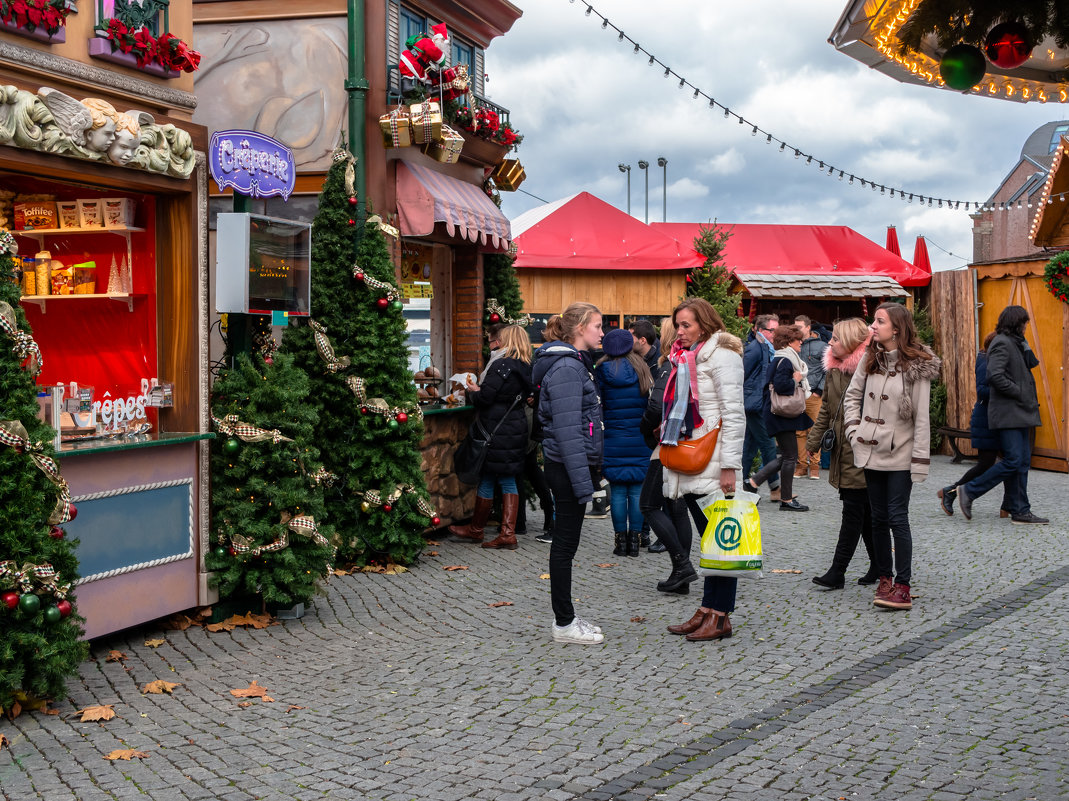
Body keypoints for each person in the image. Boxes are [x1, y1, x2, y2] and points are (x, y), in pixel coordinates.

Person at [844, 302, 941, 611]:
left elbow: (922, 419)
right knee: (878, 518)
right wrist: (852, 430)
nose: (873, 325)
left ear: (896, 328)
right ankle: (884, 578)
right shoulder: (870, 358)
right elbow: (852, 396)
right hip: (870, 450)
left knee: (897, 517)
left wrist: (920, 461)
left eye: (879, 321)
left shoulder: (917, 365)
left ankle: (903, 585)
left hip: (900, 453)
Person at [660, 298, 746, 642]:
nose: (679, 332)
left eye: (687, 326)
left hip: (713, 458)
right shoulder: (689, 356)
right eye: (677, 325)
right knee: (711, 540)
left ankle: (721, 615)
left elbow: (734, 413)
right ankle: (709, 608)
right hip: (694, 455)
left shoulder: (722, 356)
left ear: (705, 324)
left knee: (721, 542)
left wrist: (730, 466)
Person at [532, 302, 606, 644]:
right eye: (597, 326)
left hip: (568, 465)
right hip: (565, 466)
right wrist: (583, 484)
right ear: (579, 329)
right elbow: (567, 432)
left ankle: (567, 617)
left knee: (567, 545)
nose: (601, 333)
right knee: (564, 546)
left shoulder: (573, 364)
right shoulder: (566, 368)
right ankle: (563, 623)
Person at [805, 318, 878, 588]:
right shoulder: (834, 370)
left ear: (849, 342)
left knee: (854, 512)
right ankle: (881, 567)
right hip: (842, 449)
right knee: (865, 511)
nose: (830, 342)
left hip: (862, 450)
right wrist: (813, 442)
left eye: (836, 338)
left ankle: (838, 571)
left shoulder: (869, 369)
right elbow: (826, 408)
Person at [958, 306, 1047, 525]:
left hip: (1019, 413)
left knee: (1022, 462)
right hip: (1008, 413)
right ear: (1016, 322)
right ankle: (969, 490)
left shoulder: (1015, 343)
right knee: (1014, 460)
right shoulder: (1001, 343)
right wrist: (1019, 392)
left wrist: (1024, 345)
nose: (1027, 326)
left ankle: (1020, 510)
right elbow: (994, 376)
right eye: (1024, 323)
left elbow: (1031, 364)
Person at [448, 325, 533, 549]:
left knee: (503, 478)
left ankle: (505, 534)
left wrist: (472, 391)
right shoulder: (524, 366)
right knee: (493, 475)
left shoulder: (501, 365)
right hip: (514, 428)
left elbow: (486, 398)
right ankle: (478, 529)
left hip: (497, 429)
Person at [936, 333, 1011, 518]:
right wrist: (1007, 387)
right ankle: (952, 492)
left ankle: (1009, 505)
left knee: (1012, 461)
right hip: (986, 420)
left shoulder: (995, 360)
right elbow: (982, 391)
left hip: (997, 420)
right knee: (986, 464)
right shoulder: (985, 360)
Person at [596, 329, 653, 558]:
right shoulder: (642, 368)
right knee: (637, 489)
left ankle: (620, 541)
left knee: (618, 490)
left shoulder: (601, 371)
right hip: (639, 437)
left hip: (612, 437)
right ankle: (635, 540)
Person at [743, 324, 813, 511]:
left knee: (788, 455)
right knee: (790, 457)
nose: (801, 343)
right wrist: (796, 380)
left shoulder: (781, 358)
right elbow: (782, 386)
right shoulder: (786, 360)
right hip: (781, 413)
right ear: (790, 341)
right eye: (799, 340)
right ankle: (786, 500)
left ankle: (753, 482)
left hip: (778, 413)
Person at [639, 317, 677, 561]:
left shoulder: (668, 364)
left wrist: (645, 428)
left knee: (650, 504)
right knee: (677, 505)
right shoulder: (676, 362)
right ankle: (681, 566)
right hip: (674, 437)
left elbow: (656, 406)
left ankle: (681, 562)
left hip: (667, 440)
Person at [627, 317, 661, 549]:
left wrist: (648, 426)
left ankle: (649, 533)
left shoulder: (657, 364)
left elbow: (657, 402)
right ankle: (644, 533)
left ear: (642, 340)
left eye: (631, 337)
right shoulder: (636, 360)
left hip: (654, 431)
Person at [742, 314, 781, 501]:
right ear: (760, 330)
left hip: (758, 403)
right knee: (768, 444)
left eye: (776, 330)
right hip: (754, 404)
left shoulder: (767, 347)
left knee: (749, 446)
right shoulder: (755, 349)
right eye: (772, 330)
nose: (775, 334)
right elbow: (742, 375)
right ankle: (775, 489)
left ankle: (741, 485)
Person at [795, 315, 829, 481]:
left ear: (808, 327)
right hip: (797, 394)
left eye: (799, 327)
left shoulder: (822, 346)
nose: (797, 330)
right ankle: (801, 466)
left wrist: (819, 391)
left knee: (814, 430)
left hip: (814, 394)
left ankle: (814, 466)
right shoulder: (794, 345)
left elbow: (827, 369)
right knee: (799, 432)